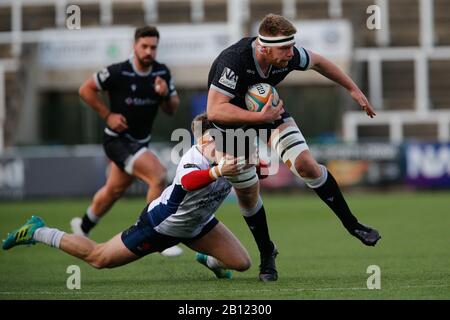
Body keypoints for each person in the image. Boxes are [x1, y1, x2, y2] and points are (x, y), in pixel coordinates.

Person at [206, 14, 381, 281]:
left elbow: (320, 62)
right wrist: (258, 118)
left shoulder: (287, 55)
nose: (291, 54)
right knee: (248, 194)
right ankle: (267, 252)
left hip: (267, 113)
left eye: (291, 46)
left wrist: (352, 89)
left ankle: (352, 224)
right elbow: (215, 110)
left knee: (306, 164)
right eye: (285, 49)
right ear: (264, 47)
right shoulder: (234, 61)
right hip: (229, 125)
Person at [2, 114, 251, 280]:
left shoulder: (231, 154)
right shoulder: (193, 158)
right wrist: (218, 170)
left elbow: (256, 170)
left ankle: (208, 260)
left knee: (242, 264)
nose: (218, 143)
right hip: (161, 226)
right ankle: (37, 231)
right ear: (201, 140)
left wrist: (252, 164)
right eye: (212, 139)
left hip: (199, 224)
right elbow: (187, 182)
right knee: (99, 258)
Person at [72, 26, 183, 257]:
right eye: (144, 46)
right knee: (158, 175)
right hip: (118, 141)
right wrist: (108, 115)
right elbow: (86, 89)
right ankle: (153, 234)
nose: (149, 51)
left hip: (140, 143)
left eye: (153, 47)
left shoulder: (161, 72)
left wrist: (164, 94)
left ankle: (82, 227)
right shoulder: (118, 72)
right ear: (135, 46)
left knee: (113, 190)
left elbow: (172, 107)